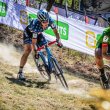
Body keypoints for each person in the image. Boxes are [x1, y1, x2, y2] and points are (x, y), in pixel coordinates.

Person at [18, 9, 63, 80]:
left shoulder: (50, 20)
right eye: (44, 22)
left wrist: (59, 40)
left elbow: (56, 31)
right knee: (28, 50)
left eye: (47, 20)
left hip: (38, 33)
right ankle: (20, 72)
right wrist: (35, 52)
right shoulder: (36, 25)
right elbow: (33, 42)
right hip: (29, 34)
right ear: (40, 21)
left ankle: (49, 64)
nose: (46, 23)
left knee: (46, 47)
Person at [95, 17, 110, 85]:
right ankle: (102, 74)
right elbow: (104, 53)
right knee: (98, 54)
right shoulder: (106, 33)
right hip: (103, 45)